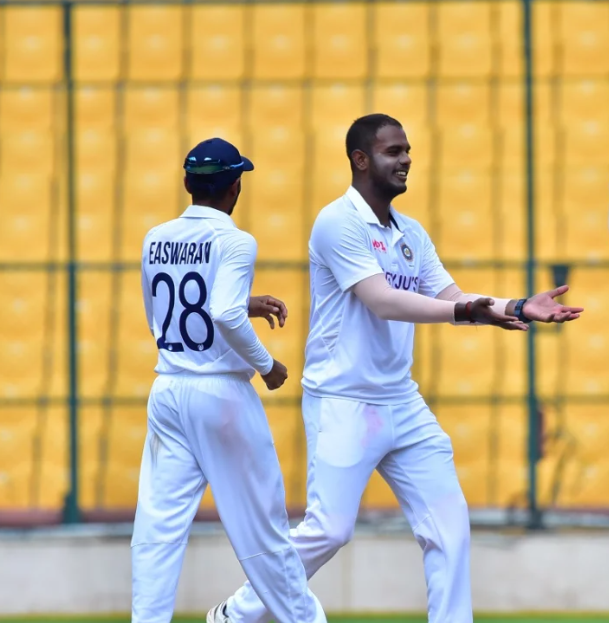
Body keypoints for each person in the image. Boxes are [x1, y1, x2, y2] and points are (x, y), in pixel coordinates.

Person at [208, 114, 583, 623]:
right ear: (361, 160)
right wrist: (468, 313)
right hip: (343, 400)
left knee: (449, 528)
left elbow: (450, 295)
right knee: (329, 530)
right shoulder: (337, 221)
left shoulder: (410, 232)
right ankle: (239, 613)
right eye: (393, 152)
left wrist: (513, 307)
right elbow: (383, 301)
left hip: (401, 401)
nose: (406, 159)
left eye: (407, 150)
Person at [133, 138, 326, 623]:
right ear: (235, 186)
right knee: (263, 535)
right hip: (220, 394)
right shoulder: (236, 241)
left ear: (186, 184)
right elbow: (219, 311)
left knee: (157, 530)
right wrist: (267, 365)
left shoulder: (155, 236)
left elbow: (174, 313)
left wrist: (244, 305)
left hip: (169, 389)